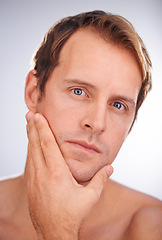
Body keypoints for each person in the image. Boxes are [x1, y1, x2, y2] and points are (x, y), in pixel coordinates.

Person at [0, 10, 161, 240]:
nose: (96, 123)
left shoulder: (151, 227)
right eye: (78, 91)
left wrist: (58, 230)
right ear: (34, 93)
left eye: (117, 105)